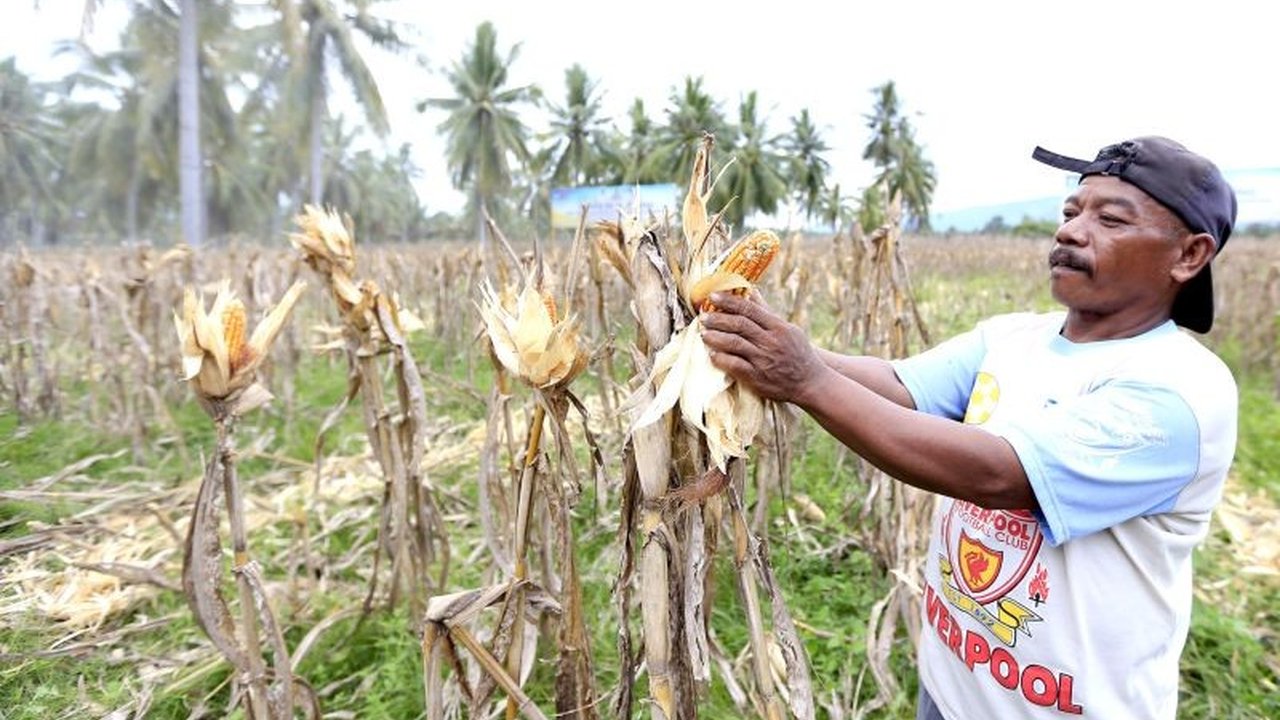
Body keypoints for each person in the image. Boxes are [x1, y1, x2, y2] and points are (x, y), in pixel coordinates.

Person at [699, 136, 1238, 719]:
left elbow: (997, 472)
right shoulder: (1013, 338)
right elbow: (900, 386)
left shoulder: (1178, 391)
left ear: (1188, 256)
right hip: (951, 690)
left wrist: (805, 379)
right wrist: (766, 340)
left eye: (1109, 220)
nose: (1071, 232)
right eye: (1070, 213)